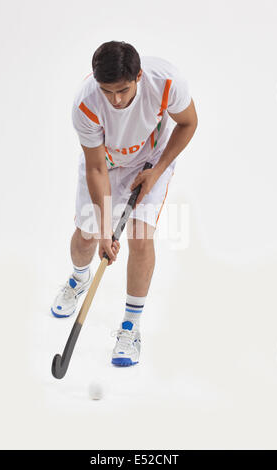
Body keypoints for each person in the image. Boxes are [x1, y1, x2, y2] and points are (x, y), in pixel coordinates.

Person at [51, 41, 198, 367]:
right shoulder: (85, 103)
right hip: (105, 161)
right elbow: (95, 168)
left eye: (123, 90)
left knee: (141, 237)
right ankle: (78, 279)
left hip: (149, 163)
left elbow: (188, 123)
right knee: (87, 235)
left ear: (139, 76)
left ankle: (131, 325)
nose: (116, 100)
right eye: (108, 91)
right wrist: (105, 231)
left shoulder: (167, 82)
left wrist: (156, 171)